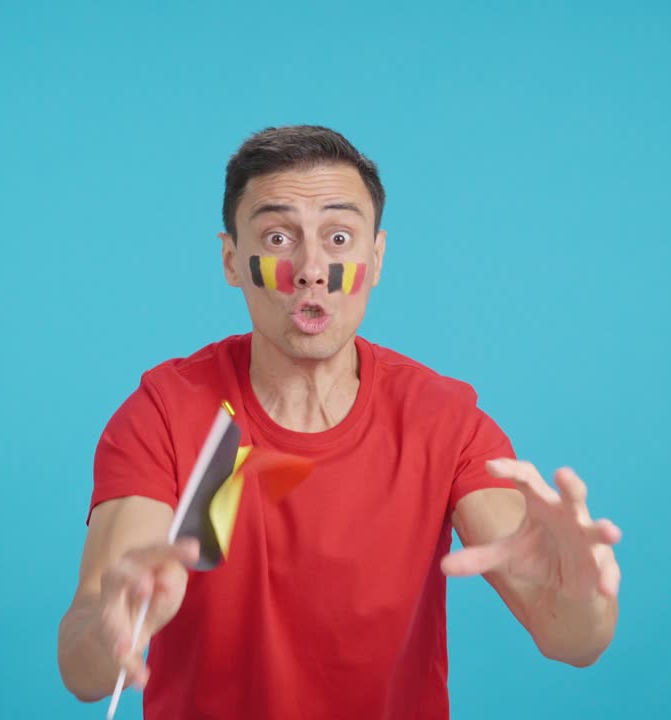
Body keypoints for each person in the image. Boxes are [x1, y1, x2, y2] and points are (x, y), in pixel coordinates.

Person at [56, 126, 622, 719]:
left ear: (374, 260)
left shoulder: (441, 418)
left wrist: (579, 595)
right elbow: (83, 668)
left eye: (339, 237)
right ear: (231, 261)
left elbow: (571, 640)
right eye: (278, 237)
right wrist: (109, 630)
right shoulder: (167, 412)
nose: (310, 269)